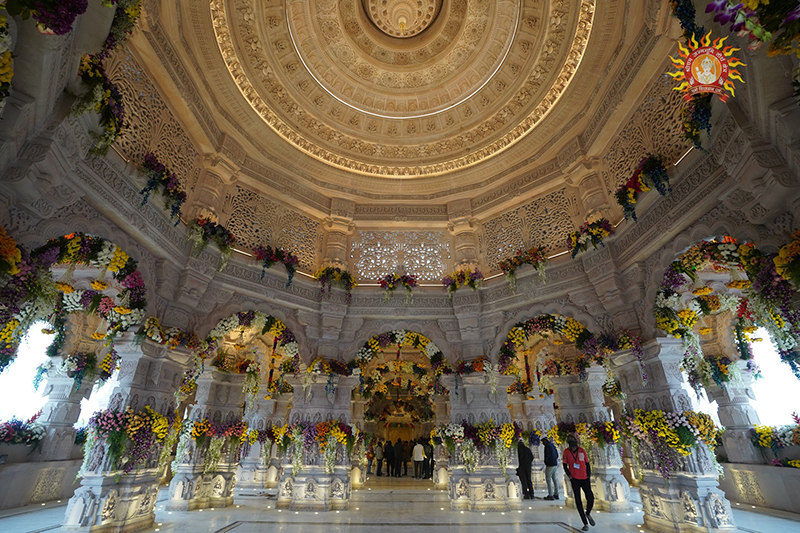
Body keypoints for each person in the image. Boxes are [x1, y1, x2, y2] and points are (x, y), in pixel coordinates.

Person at [563, 435, 595, 531]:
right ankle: (585, 523)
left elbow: (587, 463)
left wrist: (588, 475)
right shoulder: (566, 452)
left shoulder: (582, 450)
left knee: (590, 497)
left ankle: (588, 513)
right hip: (575, 479)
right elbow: (565, 465)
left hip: (584, 478)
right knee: (578, 500)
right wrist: (570, 476)